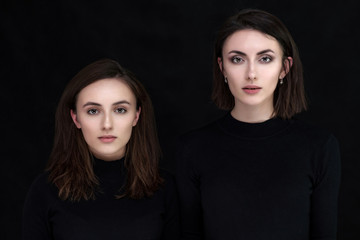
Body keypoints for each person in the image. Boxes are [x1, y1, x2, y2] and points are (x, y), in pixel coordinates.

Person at [175, 8, 341, 240]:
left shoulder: (320, 147)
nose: (251, 73)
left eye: (265, 59)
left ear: (284, 68)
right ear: (222, 68)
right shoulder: (192, 148)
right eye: (237, 59)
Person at [22, 58, 180, 239]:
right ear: (75, 118)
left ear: (136, 116)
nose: (107, 124)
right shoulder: (45, 191)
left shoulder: (166, 189)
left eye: (120, 110)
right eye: (93, 111)